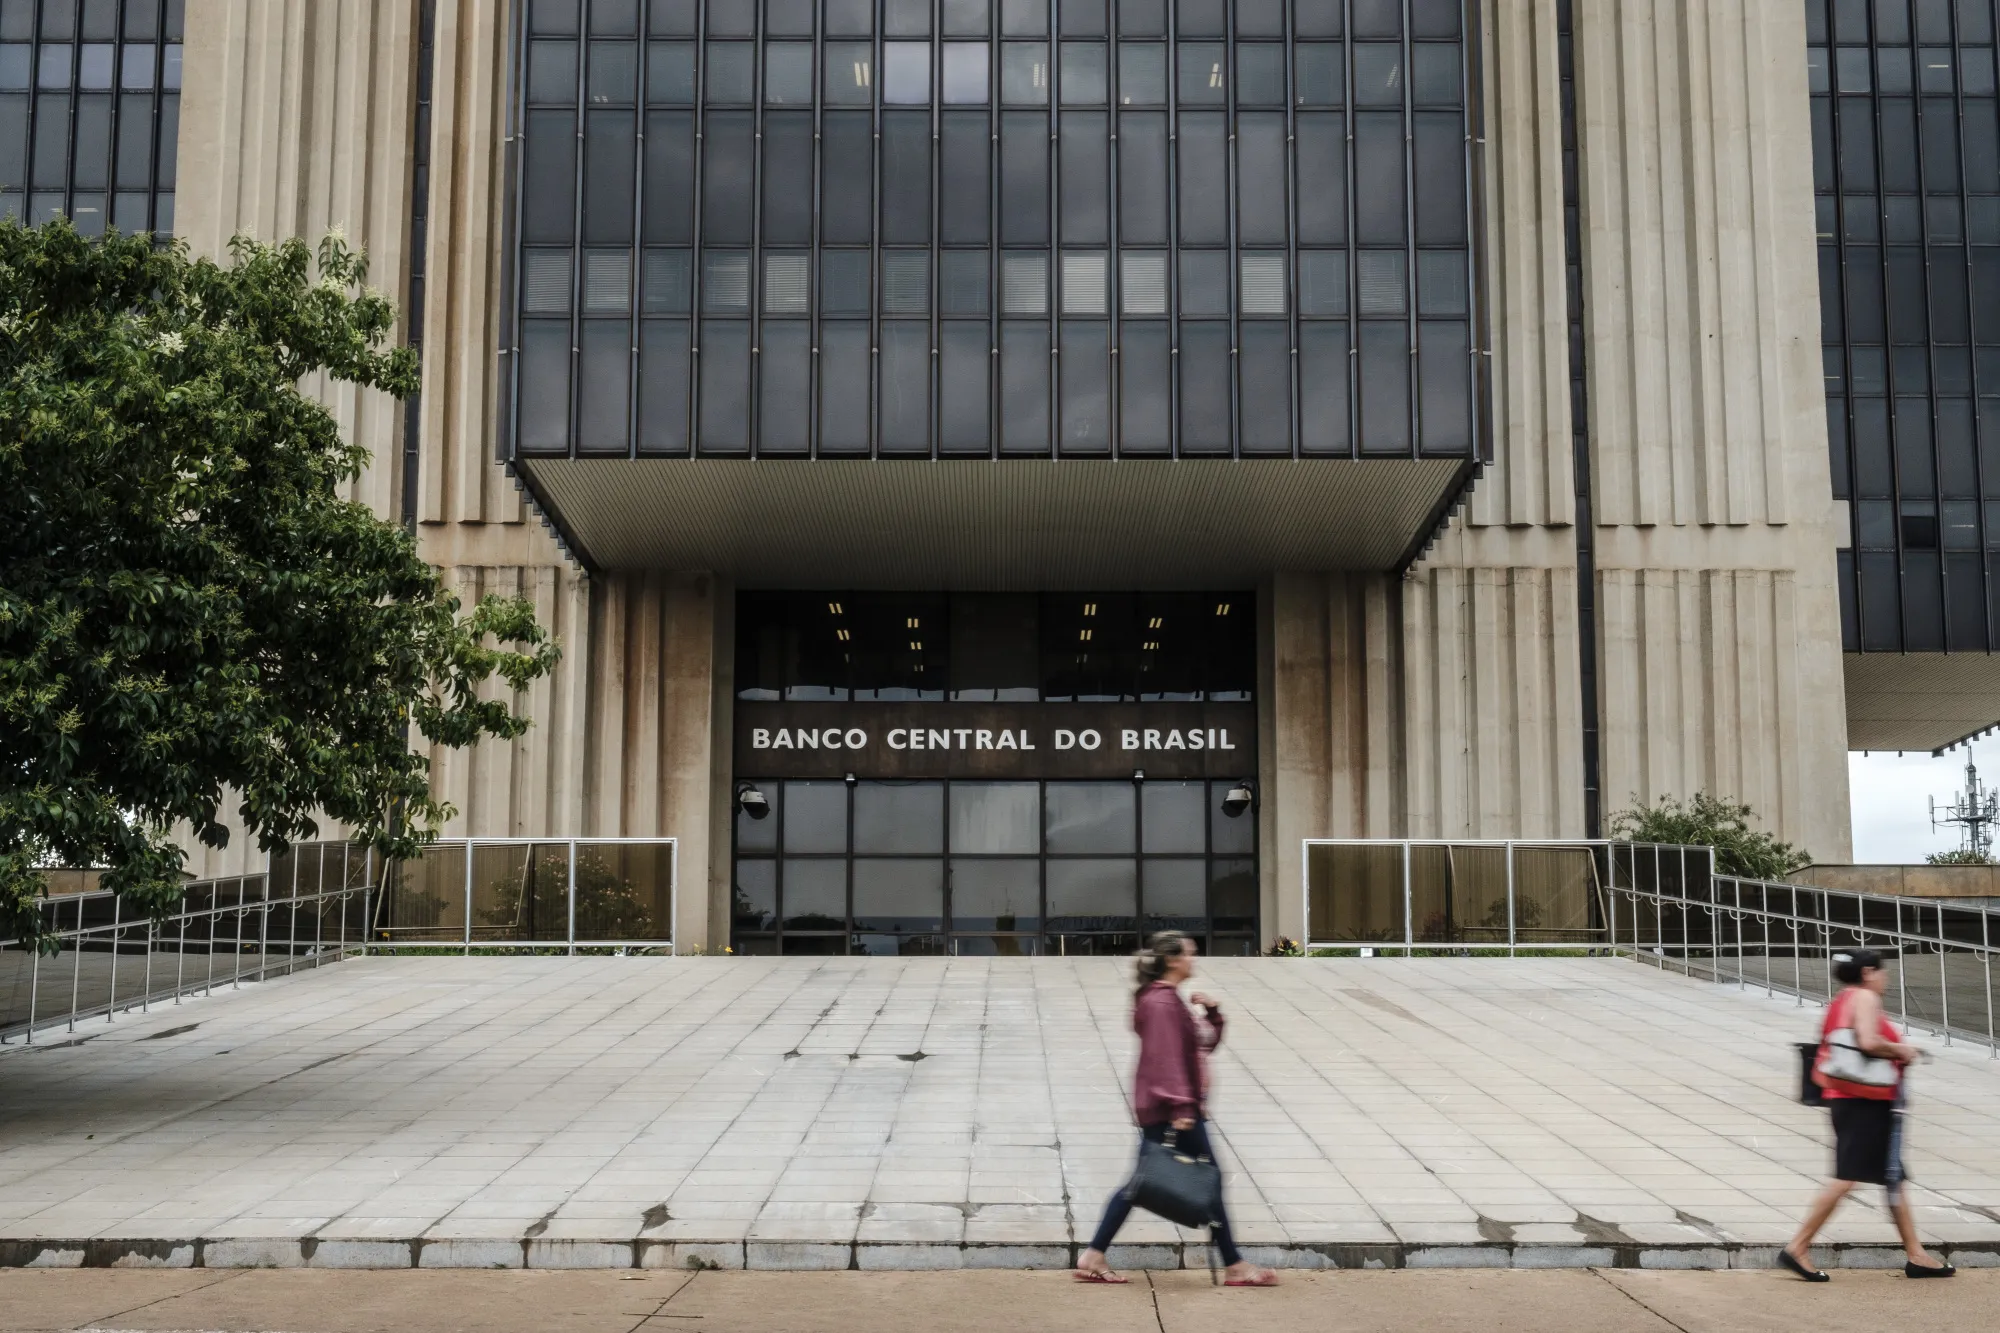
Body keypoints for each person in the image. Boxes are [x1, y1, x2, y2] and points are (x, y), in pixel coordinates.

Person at [1074, 931, 1277, 1287]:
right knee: (1207, 1180)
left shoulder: (1166, 1000)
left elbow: (1200, 1047)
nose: (1194, 959)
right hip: (1175, 1110)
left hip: (1169, 1107)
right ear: (1172, 960)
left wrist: (1212, 1013)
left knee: (1140, 1183)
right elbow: (1164, 1059)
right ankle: (1234, 1265)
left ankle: (1095, 1253)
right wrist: (1182, 1106)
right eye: (1189, 953)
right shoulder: (1163, 1003)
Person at [1780, 948, 1955, 1281]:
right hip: (1862, 1100)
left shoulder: (1841, 1000)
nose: (1885, 977)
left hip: (1851, 1098)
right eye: (1881, 971)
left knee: (1892, 1177)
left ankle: (1916, 1254)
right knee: (1846, 1176)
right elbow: (1868, 1042)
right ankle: (1798, 1247)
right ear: (1868, 973)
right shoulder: (1864, 998)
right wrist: (1903, 1050)